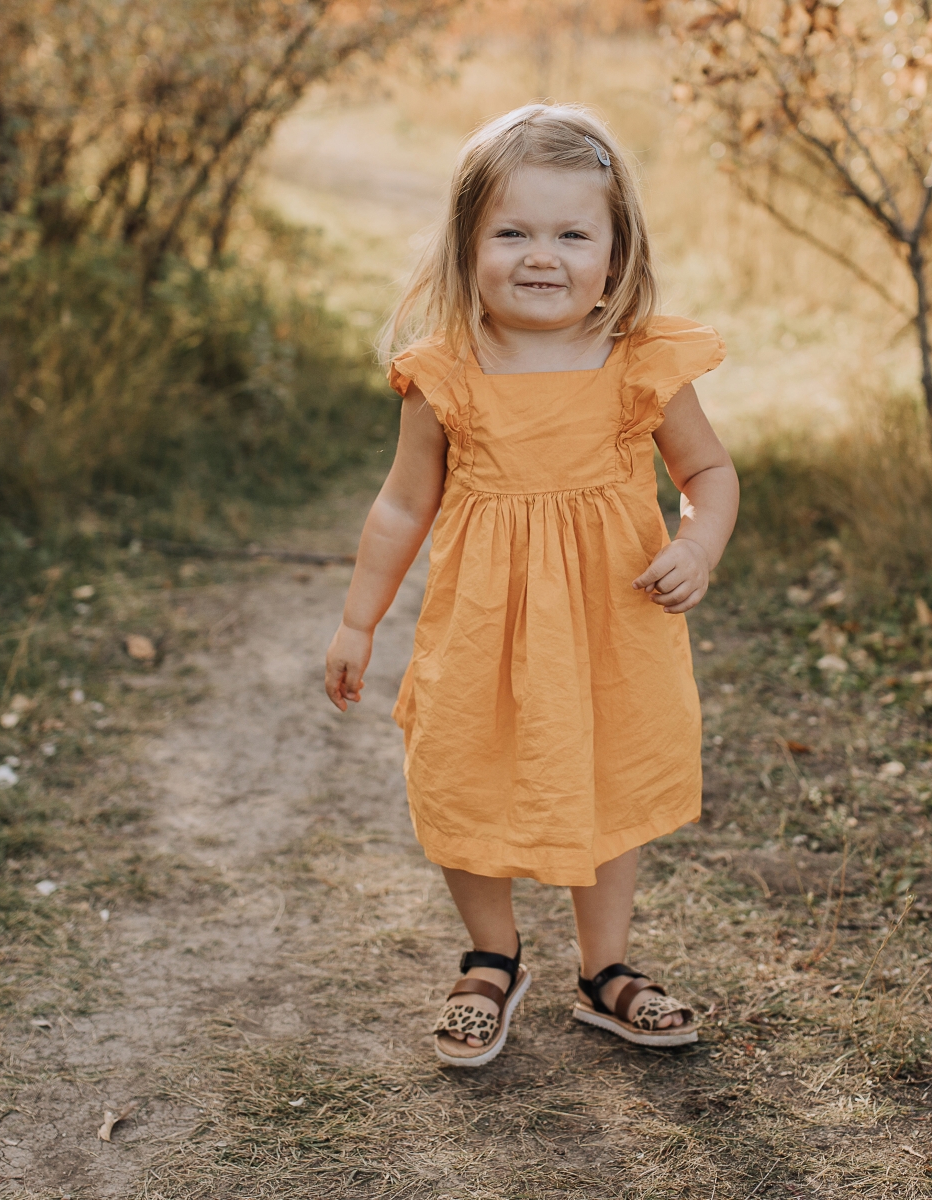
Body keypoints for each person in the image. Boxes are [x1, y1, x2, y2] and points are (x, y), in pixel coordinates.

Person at [323, 103, 738, 1067]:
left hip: (612, 626)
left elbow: (708, 474)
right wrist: (357, 623)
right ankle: (489, 955)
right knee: (464, 768)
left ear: (615, 248)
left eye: (570, 233)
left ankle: (606, 971)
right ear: (467, 244)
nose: (539, 255)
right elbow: (398, 509)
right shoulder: (449, 376)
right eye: (510, 232)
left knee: (610, 774)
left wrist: (700, 543)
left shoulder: (641, 364)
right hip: (481, 631)